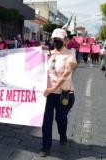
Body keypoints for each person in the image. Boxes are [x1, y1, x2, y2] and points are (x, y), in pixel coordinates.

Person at [40, 28, 77, 157]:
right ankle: (46, 147)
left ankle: (63, 135)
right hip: (49, 95)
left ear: (65, 41)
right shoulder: (48, 54)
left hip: (64, 94)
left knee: (60, 118)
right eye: (55, 40)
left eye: (59, 40)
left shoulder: (70, 55)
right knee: (46, 120)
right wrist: (37, 52)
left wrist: (52, 88)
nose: (57, 42)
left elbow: (66, 74)